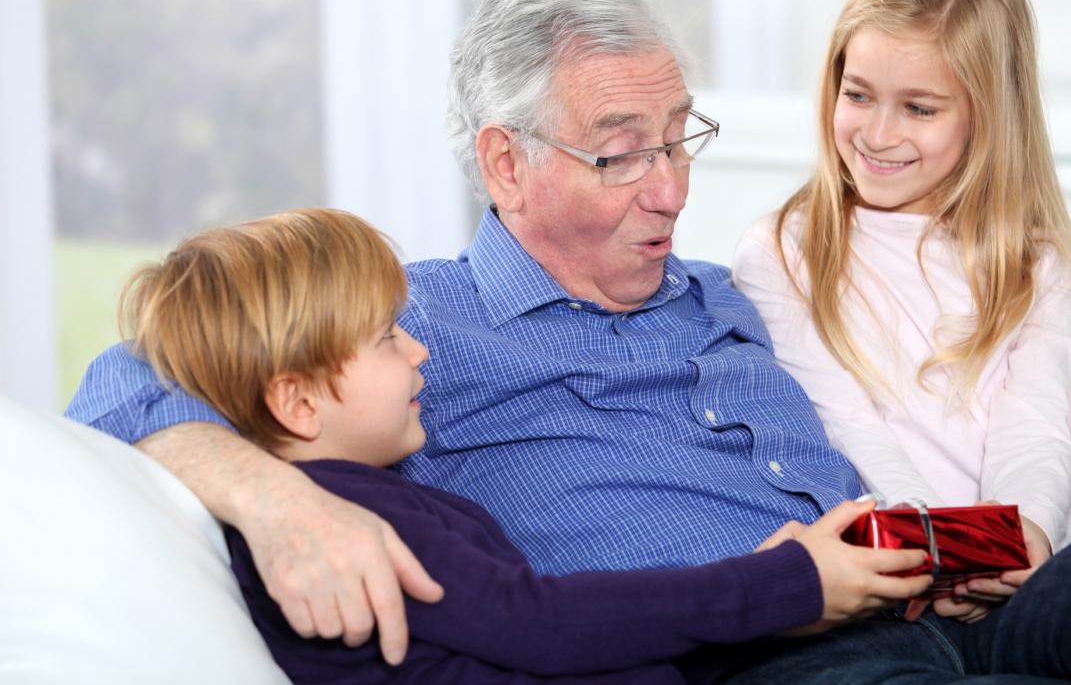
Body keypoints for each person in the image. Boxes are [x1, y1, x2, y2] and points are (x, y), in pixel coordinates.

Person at [67, 0, 1071, 678]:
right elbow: (126, 378)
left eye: (680, 136)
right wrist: (275, 500)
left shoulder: (734, 294)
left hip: (938, 608)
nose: (672, 189)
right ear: (506, 162)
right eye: (620, 151)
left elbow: (910, 373)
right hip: (757, 651)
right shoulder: (408, 324)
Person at [118, 206, 932, 683]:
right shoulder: (349, 524)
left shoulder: (396, 494)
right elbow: (537, 623)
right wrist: (779, 585)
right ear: (295, 402)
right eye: (385, 338)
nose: (418, 350)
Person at [733, 0, 1071, 622]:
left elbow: (1035, 428)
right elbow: (844, 426)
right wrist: (936, 550)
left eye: (919, 109)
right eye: (858, 94)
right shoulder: (784, 250)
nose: (876, 133)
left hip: (1031, 576)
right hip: (901, 581)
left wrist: (1026, 543)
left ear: (989, 116)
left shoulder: (1040, 265)